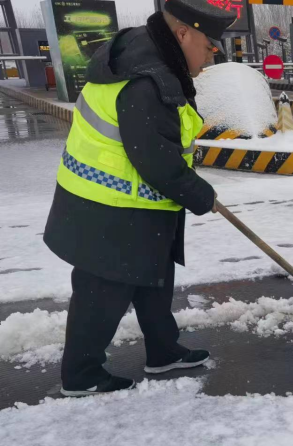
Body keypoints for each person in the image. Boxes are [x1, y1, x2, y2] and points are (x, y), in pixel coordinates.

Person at [43, 0, 235, 396]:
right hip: (108, 207)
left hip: (137, 205)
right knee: (102, 293)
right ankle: (82, 374)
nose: (213, 54)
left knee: (154, 280)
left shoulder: (147, 55)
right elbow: (156, 161)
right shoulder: (148, 79)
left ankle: (163, 350)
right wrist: (202, 195)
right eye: (209, 45)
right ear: (183, 34)